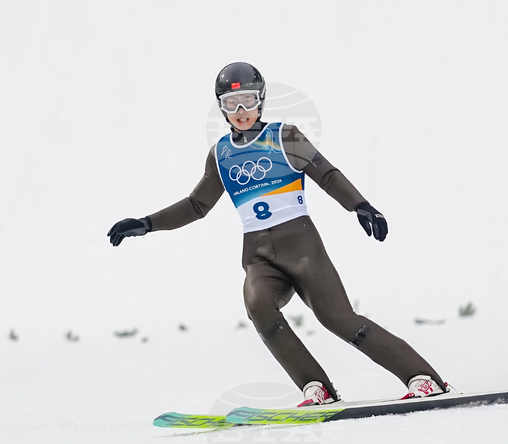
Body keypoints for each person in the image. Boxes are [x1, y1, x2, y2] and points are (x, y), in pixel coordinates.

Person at [108, 62, 448, 406]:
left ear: (261, 100)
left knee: (338, 319)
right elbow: (197, 205)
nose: (241, 111)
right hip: (258, 256)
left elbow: (327, 174)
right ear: (221, 107)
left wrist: (360, 205)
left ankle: (422, 377)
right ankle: (316, 386)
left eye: (248, 101)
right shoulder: (221, 154)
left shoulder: (285, 136)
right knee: (259, 305)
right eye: (231, 103)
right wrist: (146, 223)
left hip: (301, 247)